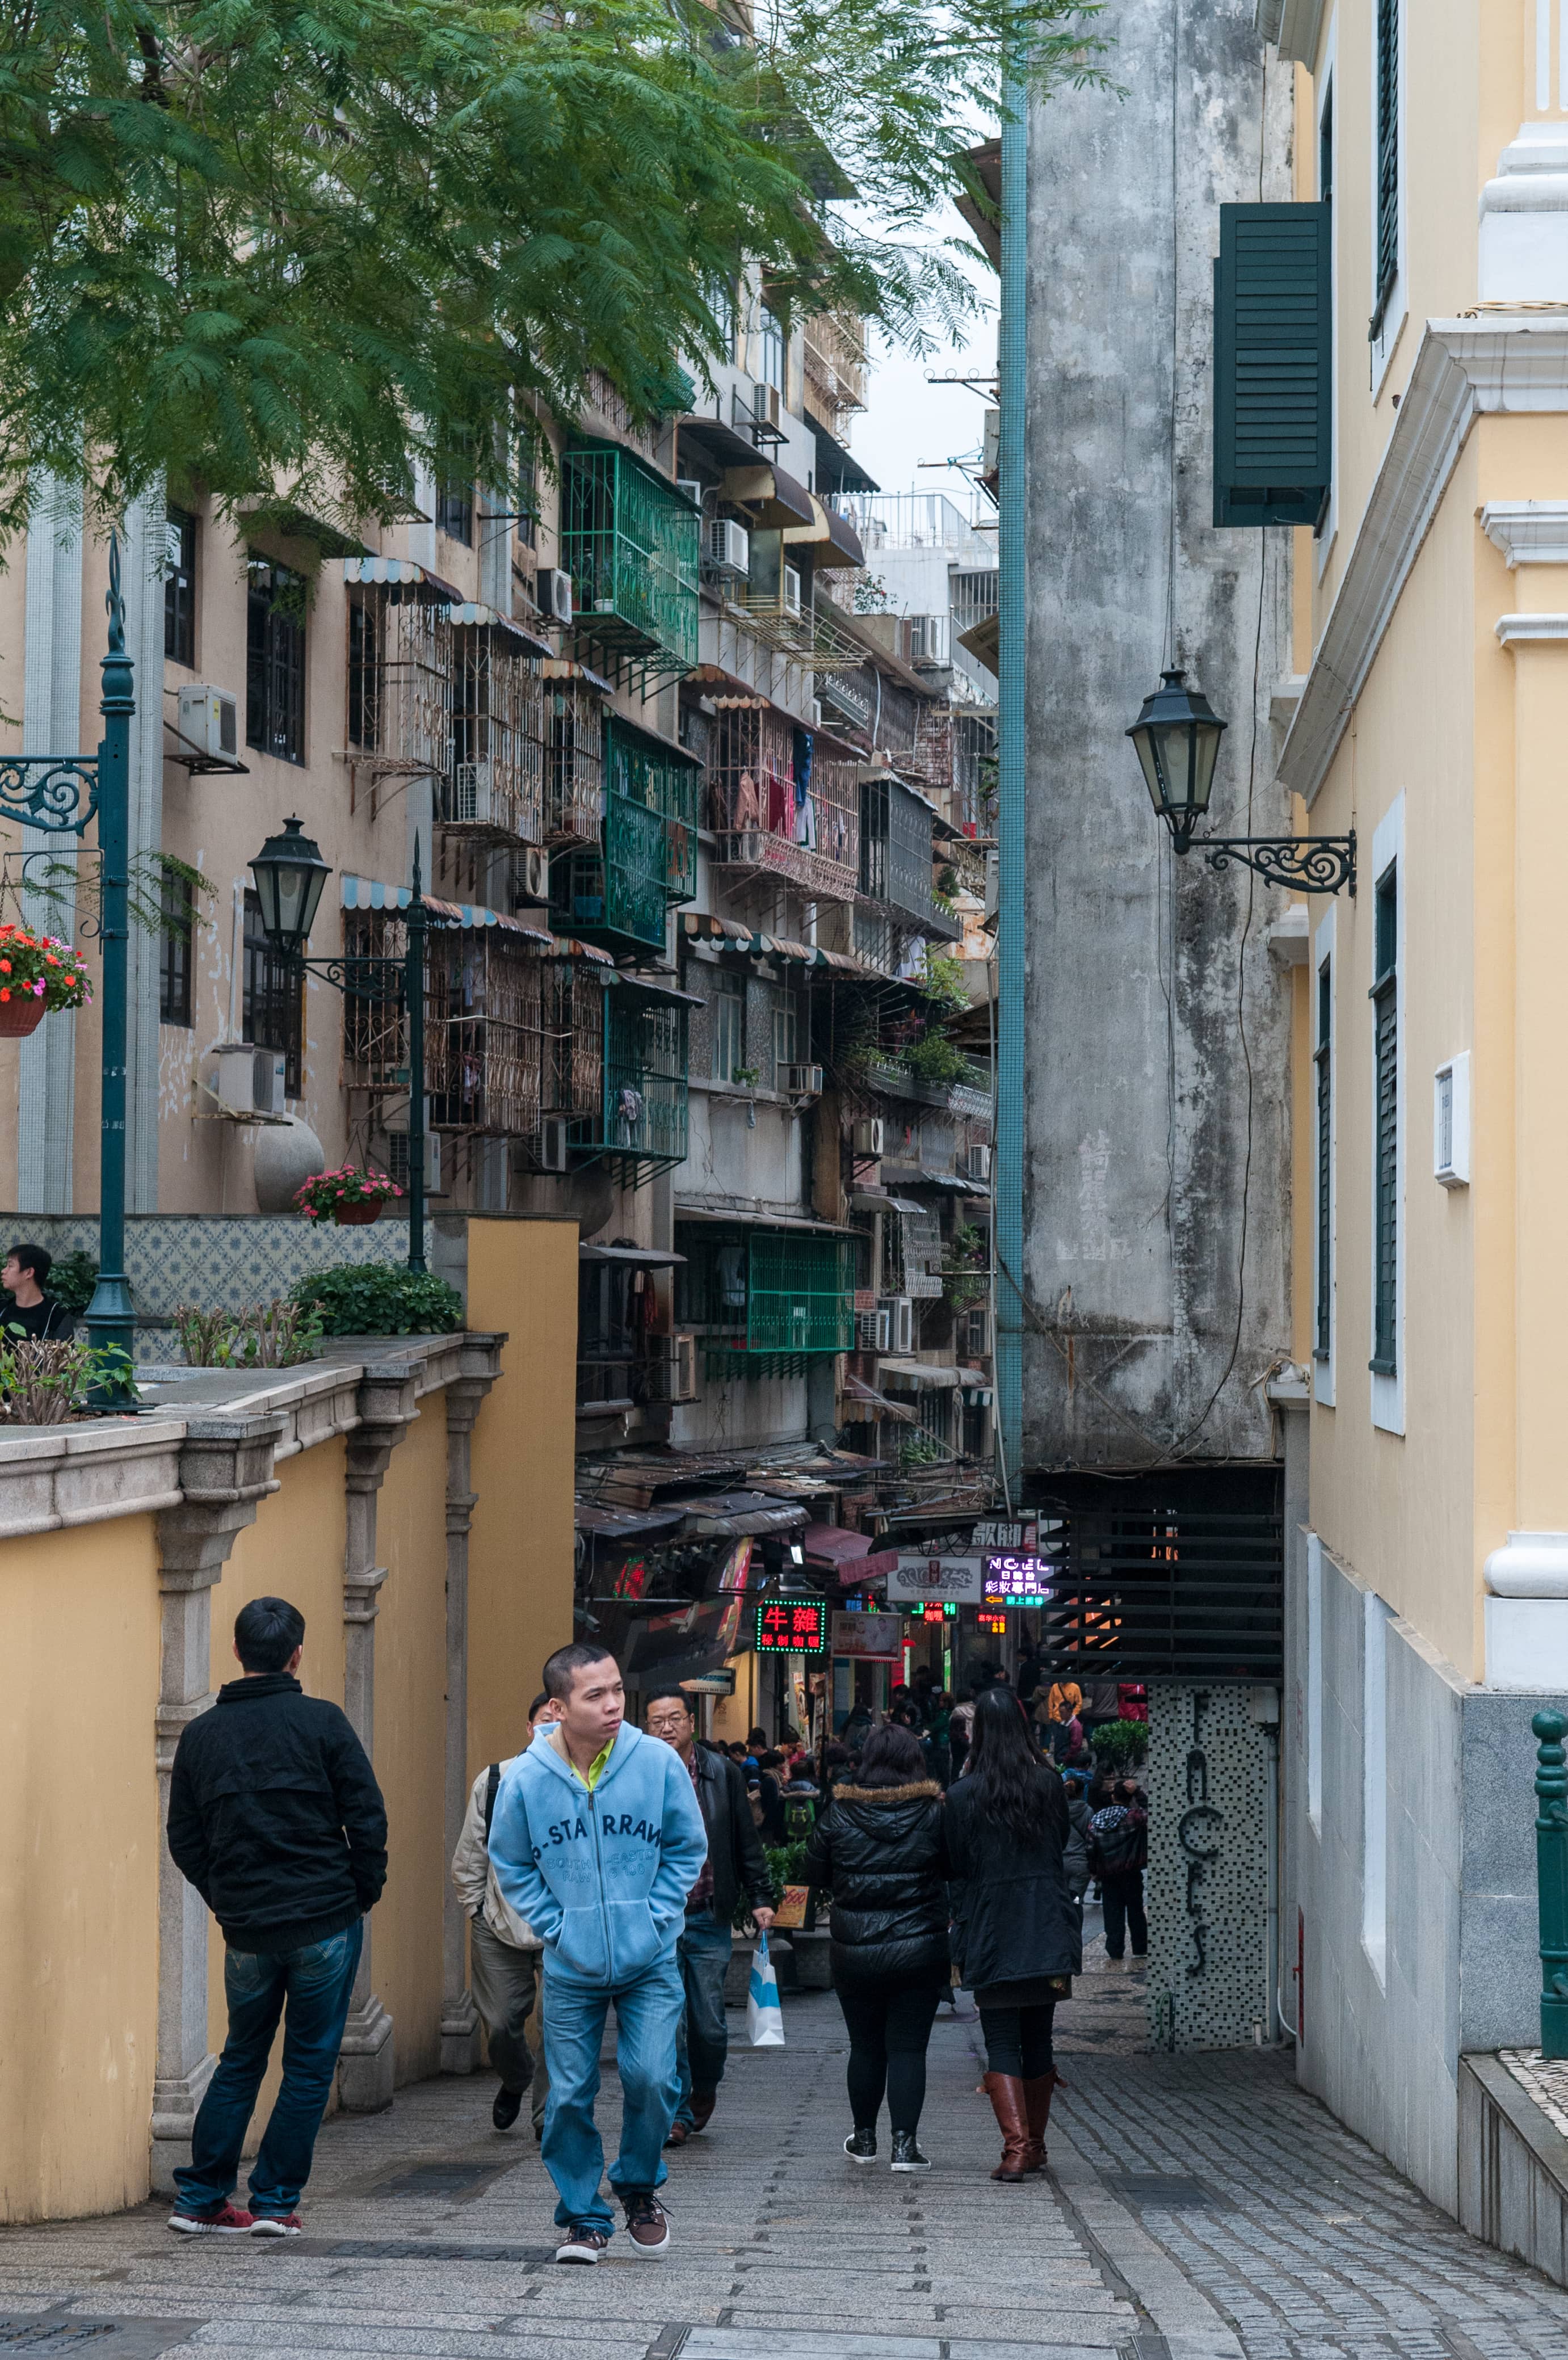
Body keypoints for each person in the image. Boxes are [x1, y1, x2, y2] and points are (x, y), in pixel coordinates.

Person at [164, 1596, 386, 2236]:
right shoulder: (323, 1722)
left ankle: (201, 2195)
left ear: (236, 1652)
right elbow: (366, 1817)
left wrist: (227, 1897)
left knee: (241, 2057)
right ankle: (273, 2201)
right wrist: (360, 1891)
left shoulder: (201, 1734)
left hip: (249, 1931)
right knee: (309, 2065)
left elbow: (185, 1836)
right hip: (325, 1919)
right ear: (296, 1655)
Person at [487, 1642, 708, 2265]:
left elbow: (687, 1847)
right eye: (595, 1694)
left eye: (616, 1689)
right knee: (567, 2095)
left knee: (652, 2078)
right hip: (570, 1963)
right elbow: (510, 1861)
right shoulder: (526, 1778)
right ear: (558, 1707)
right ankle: (584, 2215)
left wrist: (658, 1916)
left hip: (651, 1959)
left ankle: (638, 2186)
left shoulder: (656, 1763)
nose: (614, 1704)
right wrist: (557, 1924)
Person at [945, 1685, 1079, 2182]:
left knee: (1000, 2036)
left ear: (976, 1735)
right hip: (1045, 1921)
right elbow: (1062, 1841)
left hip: (990, 1925)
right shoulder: (1047, 1783)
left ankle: (1017, 2147)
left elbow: (954, 1863)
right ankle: (1035, 2145)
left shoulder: (961, 1795)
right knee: (1038, 2035)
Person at [801, 1722, 948, 2173]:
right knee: (908, 2049)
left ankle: (863, 2138)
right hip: (918, 1950)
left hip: (854, 1951)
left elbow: (813, 1874)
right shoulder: (934, 1812)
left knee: (864, 2047)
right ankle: (905, 2147)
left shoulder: (837, 1812)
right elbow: (954, 1866)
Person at [642, 1685, 775, 2146]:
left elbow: (744, 1841)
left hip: (707, 1915)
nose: (666, 1727)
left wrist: (760, 1894)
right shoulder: (635, 1774)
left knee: (709, 2023)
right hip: (657, 1921)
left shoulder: (722, 1773)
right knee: (669, 2019)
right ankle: (677, 2113)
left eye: (674, 1718)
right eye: (657, 1720)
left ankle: (705, 2085)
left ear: (691, 1722)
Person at [451, 1689, 562, 2138]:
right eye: (544, 1721)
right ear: (529, 1727)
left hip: (562, 1931)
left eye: (561, 1722)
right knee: (499, 2024)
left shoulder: (591, 1783)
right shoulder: (496, 1781)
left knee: (560, 2024)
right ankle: (516, 2077)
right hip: (498, 1923)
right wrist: (476, 1907)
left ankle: (547, 2117)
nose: (551, 1729)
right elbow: (470, 1855)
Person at [1090, 1777, 1149, 1964]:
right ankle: (1140, 1947)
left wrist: (1094, 1870)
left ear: (1113, 1796)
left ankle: (1115, 1949)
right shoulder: (1133, 1817)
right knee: (1135, 1911)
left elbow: (1090, 1847)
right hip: (1131, 1871)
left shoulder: (1097, 1819)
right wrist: (1138, 1794)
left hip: (1108, 1874)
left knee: (1113, 1912)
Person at [1, 1240, 74, 1340]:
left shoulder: (57, 1317)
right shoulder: (2, 1309)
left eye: (10, 1266)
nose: (4, 1271)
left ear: (29, 1273)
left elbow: (64, 1354)